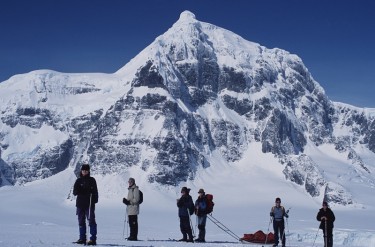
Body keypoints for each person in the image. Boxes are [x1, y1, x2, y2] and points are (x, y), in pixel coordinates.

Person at [73, 164, 99, 245]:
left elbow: (95, 191)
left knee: (91, 221)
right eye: (83, 170)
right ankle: (82, 238)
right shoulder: (78, 180)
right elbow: (74, 192)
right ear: (81, 171)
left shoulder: (92, 180)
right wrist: (79, 190)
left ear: (88, 171)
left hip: (89, 204)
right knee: (81, 221)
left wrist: (95, 200)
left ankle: (93, 239)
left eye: (86, 170)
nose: (84, 172)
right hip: (80, 204)